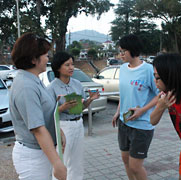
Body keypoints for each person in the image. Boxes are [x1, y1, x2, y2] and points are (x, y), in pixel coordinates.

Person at [10, 32, 67, 180]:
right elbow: (38, 129)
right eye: (45, 54)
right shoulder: (26, 86)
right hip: (32, 157)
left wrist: (58, 131)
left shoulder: (35, 80)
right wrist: (57, 163)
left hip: (40, 152)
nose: (48, 58)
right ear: (33, 59)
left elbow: (46, 113)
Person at [47, 51, 100, 180]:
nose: (71, 68)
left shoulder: (77, 84)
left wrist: (90, 99)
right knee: (62, 160)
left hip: (78, 124)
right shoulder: (51, 88)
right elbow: (49, 114)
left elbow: (81, 107)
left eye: (72, 64)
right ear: (58, 67)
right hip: (64, 127)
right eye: (67, 65)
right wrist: (62, 107)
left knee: (77, 161)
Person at [112, 34, 158, 180]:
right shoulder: (123, 68)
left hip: (142, 126)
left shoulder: (149, 70)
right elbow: (123, 94)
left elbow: (160, 95)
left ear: (133, 50)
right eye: (120, 51)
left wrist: (142, 110)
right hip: (124, 122)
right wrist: (117, 112)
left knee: (135, 166)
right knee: (126, 160)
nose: (121, 54)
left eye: (123, 51)